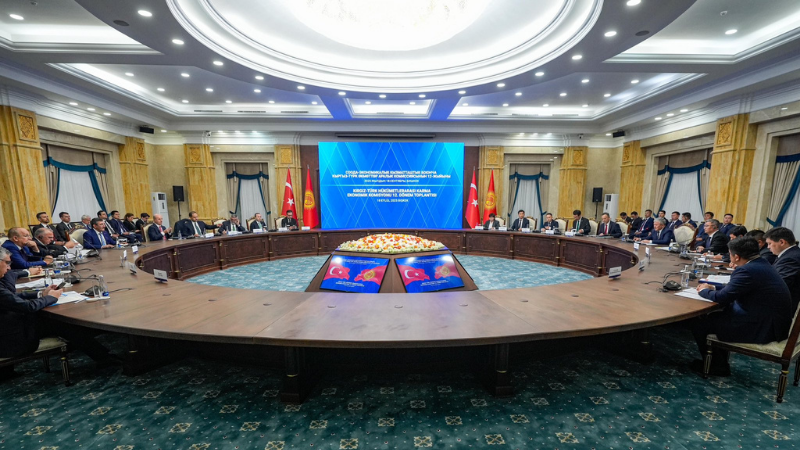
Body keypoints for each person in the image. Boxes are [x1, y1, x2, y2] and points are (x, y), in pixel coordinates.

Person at [0, 247, 117, 372]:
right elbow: (28, 307)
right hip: (10, 339)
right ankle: (103, 357)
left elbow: (12, 297)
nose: (9, 267)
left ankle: (101, 355)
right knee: (61, 323)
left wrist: (41, 294)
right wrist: (51, 297)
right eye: (7, 263)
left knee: (58, 322)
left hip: (10, 326)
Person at [692, 237, 792, 376]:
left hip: (763, 327)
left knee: (700, 323)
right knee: (714, 317)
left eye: (730, 254)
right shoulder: (760, 263)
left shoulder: (747, 270)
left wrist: (703, 291)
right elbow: (739, 288)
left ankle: (716, 367)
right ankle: (719, 362)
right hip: (771, 320)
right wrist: (713, 288)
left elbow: (722, 298)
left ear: (737, 257)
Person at [765, 227, 800, 314]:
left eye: (769, 243)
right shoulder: (789, 254)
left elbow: (780, 284)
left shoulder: (791, 258)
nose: (768, 247)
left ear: (782, 242)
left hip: (779, 309)